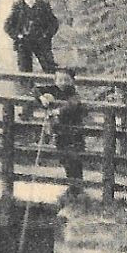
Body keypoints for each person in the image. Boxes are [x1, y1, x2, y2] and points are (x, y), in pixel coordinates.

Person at [35, 65, 88, 199]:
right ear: (55, 80)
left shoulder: (73, 93)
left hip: (74, 132)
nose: (62, 83)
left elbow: (74, 104)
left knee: (75, 159)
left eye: (66, 80)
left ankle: (78, 188)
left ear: (71, 81)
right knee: (64, 158)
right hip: (60, 131)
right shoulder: (53, 89)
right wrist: (41, 98)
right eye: (59, 80)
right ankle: (72, 187)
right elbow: (35, 89)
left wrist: (58, 111)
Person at [4, 0, 60, 80]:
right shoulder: (18, 6)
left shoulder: (43, 5)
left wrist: (46, 35)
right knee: (25, 72)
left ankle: (54, 91)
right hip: (24, 43)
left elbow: (54, 23)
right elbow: (8, 26)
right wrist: (18, 36)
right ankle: (26, 93)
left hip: (41, 42)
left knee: (50, 69)